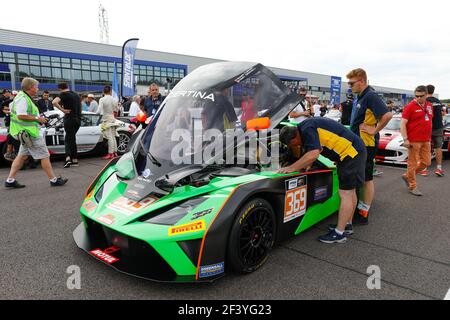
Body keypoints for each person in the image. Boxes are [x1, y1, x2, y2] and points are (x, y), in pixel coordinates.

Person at [278, 117, 366, 244]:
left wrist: (291, 168)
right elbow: (315, 149)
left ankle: (339, 233)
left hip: (350, 154)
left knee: (345, 193)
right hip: (354, 151)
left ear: (294, 138)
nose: (296, 146)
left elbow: (314, 153)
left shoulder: (307, 129)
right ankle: (347, 225)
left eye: (293, 144)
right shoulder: (304, 127)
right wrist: (306, 165)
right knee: (350, 192)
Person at [347, 68, 392, 224]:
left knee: (366, 178)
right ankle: (359, 208)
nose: (349, 86)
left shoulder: (371, 95)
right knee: (361, 177)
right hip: (358, 143)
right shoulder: (360, 96)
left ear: (362, 81)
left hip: (367, 144)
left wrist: (374, 130)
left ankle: (364, 212)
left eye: (351, 83)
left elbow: (387, 115)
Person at [4, 78, 67, 189]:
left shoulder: (22, 97)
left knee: (21, 156)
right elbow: (21, 115)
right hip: (30, 134)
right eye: (36, 87)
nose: (37, 89)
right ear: (30, 88)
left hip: (25, 133)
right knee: (45, 155)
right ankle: (54, 180)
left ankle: (10, 180)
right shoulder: (23, 98)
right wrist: (38, 119)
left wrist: (39, 119)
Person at [400, 86, 433, 196]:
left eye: (421, 96)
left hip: (426, 140)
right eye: (416, 96)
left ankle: (407, 176)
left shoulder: (429, 105)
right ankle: (412, 186)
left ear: (426, 95)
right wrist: (405, 139)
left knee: (426, 162)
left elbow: (428, 120)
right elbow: (403, 124)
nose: (418, 98)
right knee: (412, 164)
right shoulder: (409, 107)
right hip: (413, 141)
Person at [52, 82, 82, 168]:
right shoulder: (76, 95)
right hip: (78, 120)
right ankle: (74, 160)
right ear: (67, 86)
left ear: (60, 88)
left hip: (69, 119)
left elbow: (54, 102)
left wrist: (63, 110)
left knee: (68, 139)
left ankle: (68, 159)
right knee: (71, 139)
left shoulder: (63, 94)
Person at [421, 84, 444, 177]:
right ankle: (439, 169)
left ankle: (424, 169)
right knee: (438, 148)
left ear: (426, 91)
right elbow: (442, 113)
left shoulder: (424, 101)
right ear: (433, 91)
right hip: (438, 127)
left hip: (427, 127)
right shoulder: (438, 101)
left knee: (426, 147)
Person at [98, 86, 119, 160]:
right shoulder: (114, 99)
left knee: (109, 137)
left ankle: (110, 153)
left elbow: (99, 110)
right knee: (113, 136)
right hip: (112, 118)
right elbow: (116, 110)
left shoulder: (102, 99)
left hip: (105, 119)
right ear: (110, 91)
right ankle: (115, 152)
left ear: (103, 92)